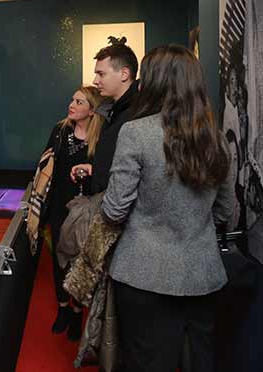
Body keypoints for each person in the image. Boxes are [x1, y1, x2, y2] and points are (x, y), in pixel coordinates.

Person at [101, 45, 236, 372]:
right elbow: (225, 211)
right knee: (199, 362)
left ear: (155, 82)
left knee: (145, 362)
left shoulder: (135, 133)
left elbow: (114, 210)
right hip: (202, 274)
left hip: (143, 274)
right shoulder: (217, 139)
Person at [42, 86, 106, 341]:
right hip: (59, 204)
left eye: (79, 102)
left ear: (91, 110)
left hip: (86, 207)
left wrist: (91, 169)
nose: (72, 105)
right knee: (59, 257)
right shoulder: (60, 130)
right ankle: (63, 308)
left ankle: (78, 311)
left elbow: (105, 172)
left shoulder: (102, 135)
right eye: (72, 100)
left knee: (82, 259)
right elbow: (46, 165)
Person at [71, 37, 138, 194]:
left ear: (124, 74)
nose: (95, 81)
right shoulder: (112, 111)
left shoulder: (137, 115)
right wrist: (95, 169)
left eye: (101, 74)